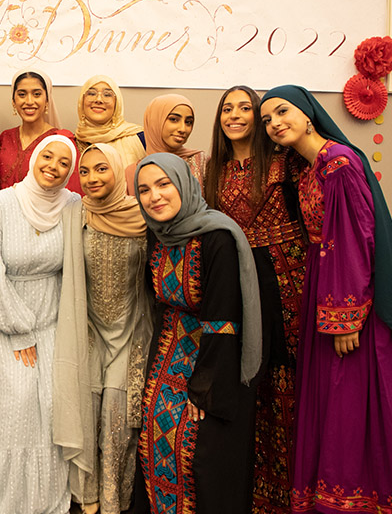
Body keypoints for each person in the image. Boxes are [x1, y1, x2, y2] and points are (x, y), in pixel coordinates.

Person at [259, 85, 392, 513]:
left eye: (282, 111)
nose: (274, 122)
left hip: (368, 294)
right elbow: (359, 219)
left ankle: (379, 498)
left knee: (366, 404)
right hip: (339, 281)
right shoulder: (309, 168)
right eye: (266, 119)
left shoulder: (338, 162)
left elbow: (353, 239)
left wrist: (345, 319)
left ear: (307, 113)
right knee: (352, 408)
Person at [0, 135, 79, 513]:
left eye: (63, 163)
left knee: (50, 411)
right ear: (34, 157)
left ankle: (43, 497)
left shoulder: (73, 206)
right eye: (48, 157)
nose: (53, 167)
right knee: (14, 409)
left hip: (54, 322)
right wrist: (18, 328)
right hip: (6, 323)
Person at [135, 153, 263, 514]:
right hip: (168, 355)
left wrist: (206, 389)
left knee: (202, 457)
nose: (154, 196)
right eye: (144, 189)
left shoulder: (217, 237)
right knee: (155, 445)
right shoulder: (160, 235)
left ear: (185, 185)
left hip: (212, 365)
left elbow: (223, 322)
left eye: (164, 184)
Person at [201, 85, 305, 514]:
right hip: (241, 282)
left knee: (294, 378)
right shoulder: (211, 170)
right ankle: (260, 491)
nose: (236, 115)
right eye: (228, 109)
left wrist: (378, 217)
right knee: (252, 378)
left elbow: (326, 203)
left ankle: (300, 485)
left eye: (246, 108)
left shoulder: (285, 161)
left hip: (289, 280)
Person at [55, 144, 153, 514]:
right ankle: (88, 496)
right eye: (85, 171)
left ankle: (115, 501)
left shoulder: (142, 216)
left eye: (102, 169)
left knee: (117, 420)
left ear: (117, 170)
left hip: (130, 330)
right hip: (89, 331)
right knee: (85, 412)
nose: (92, 178)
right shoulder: (76, 213)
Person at [0, 69, 82, 193]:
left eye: (37, 94)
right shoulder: (5, 137)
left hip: (43, 211)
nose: (29, 101)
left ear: (47, 100)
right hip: (4, 210)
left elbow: (70, 191)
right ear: (13, 101)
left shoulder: (60, 140)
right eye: (22, 94)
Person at [125, 94, 203, 193]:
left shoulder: (201, 162)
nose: (183, 129)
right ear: (155, 121)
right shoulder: (133, 172)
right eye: (174, 120)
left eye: (188, 122)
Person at [74, 75, 144, 170]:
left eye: (107, 95)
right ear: (82, 101)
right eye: (91, 93)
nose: (98, 100)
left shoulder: (140, 138)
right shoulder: (73, 143)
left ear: (117, 103)